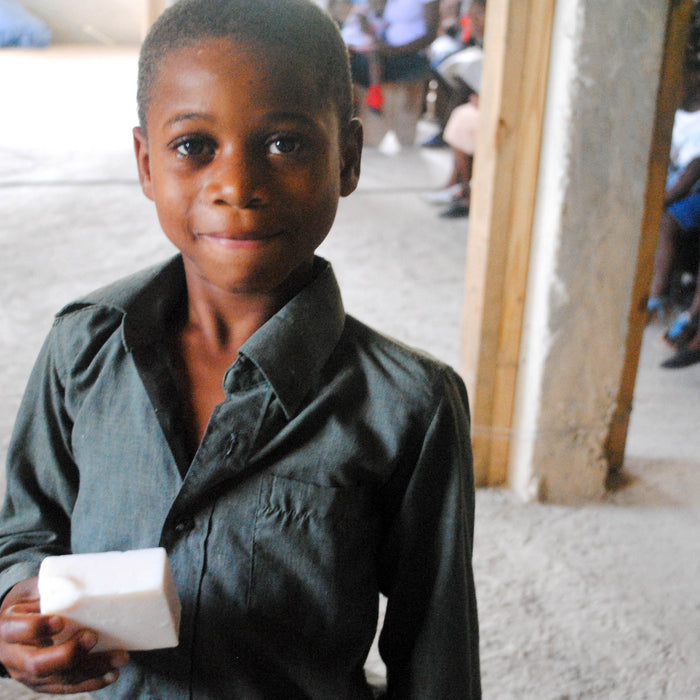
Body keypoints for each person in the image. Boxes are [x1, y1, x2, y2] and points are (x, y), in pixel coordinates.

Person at [0, 0, 480, 697]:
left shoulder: (410, 406)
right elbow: (25, 532)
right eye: (194, 146)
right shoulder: (84, 345)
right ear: (145, 164)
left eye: (285, 143)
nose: (237, 186)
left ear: (347, 159)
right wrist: (17, 609)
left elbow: (436, 653)